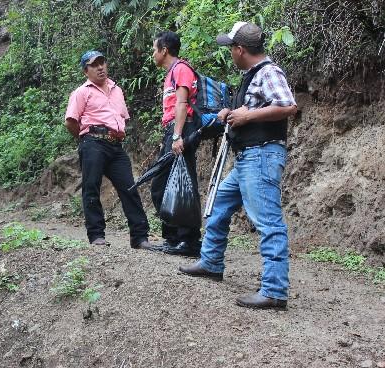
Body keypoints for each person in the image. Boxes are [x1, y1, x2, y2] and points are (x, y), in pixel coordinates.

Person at [178, 22, 298, 310]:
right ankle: (211, 262)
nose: (230, 52)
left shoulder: (269, 72)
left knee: (268, 222)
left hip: (262, 156)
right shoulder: (251, 75)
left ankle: (274, 290)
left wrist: (247, 117)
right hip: (247, 158)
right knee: (219, 204)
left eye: (231, 47)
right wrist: (231, 113)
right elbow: (250, 110)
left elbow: (288, 106)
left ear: (240, 49)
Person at [65, 50, 152, 249]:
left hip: (115, 145)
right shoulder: (82, 92)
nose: (100, 67)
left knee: (129, 188)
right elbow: (70, 122)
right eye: (94, 65)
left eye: (102, 63)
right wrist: (85, 139)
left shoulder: (117, 90)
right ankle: (96, 235)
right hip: (93, 142)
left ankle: (139, 237)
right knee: (91, 188)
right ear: (85, 71)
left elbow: (122, 118)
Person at [150, 31, 202, 257]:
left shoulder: (181, 69)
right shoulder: (171, 72)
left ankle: (189, 241)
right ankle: (173, 238)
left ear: (164, 50)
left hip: (181, 129)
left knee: (183, 185)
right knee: (164, 184)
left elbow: (182, 104)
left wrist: (177, 136)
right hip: (173, 130)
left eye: (154, 49)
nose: (153, 54)